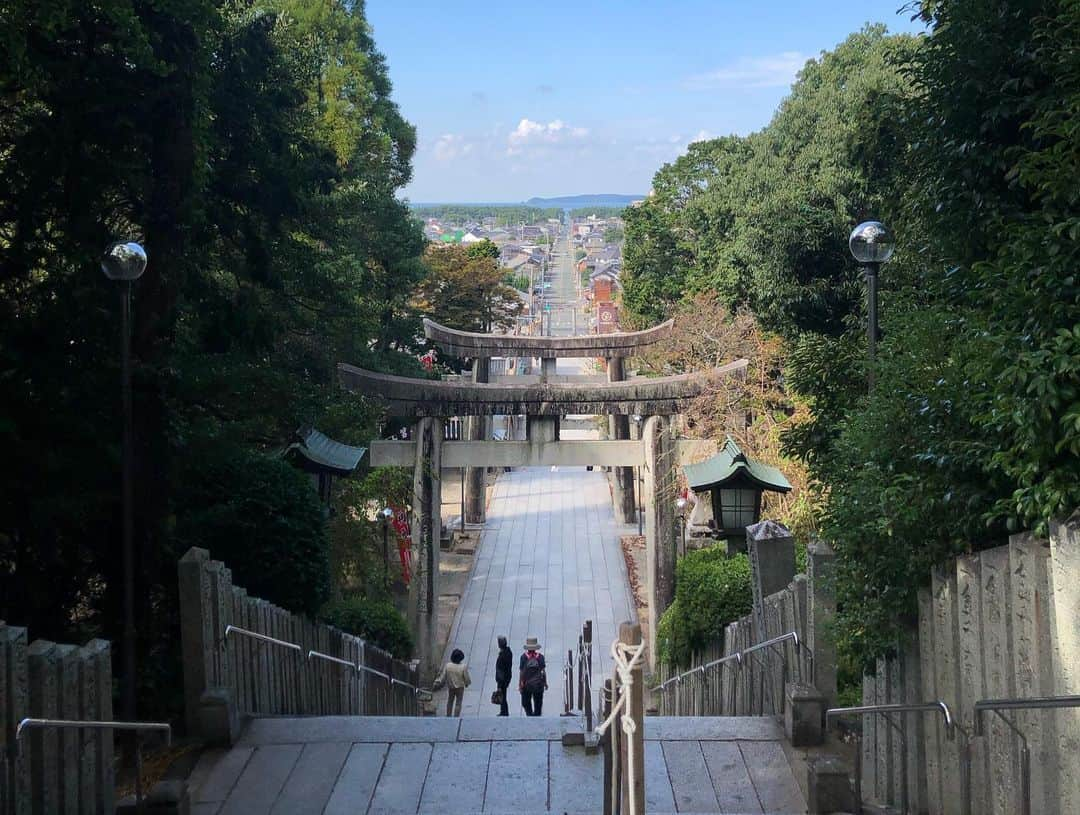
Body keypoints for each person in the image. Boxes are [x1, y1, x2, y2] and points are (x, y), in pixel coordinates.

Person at [435, 648, 471, 717]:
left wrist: (438, 682)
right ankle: (456, 716)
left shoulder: (448, 666)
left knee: (450, 701)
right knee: (458, 702)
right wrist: (467, 683)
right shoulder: (463, 667)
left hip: (451, 687)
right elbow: (466, 677)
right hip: (460, 687)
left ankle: (448, 715)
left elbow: (443, 677)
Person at [518, 636, 547, 716]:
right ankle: (537, 716)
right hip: (538, 684)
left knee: (526, 703)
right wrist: (545, 683)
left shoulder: (523, 657)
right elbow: (543, 671)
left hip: (526, 684)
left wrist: (520, 684)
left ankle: (529, 714)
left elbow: (521, 672)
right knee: (538, 704)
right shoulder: (540, 657)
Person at [494, 636, 513, 717]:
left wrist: (499, 684)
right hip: (507, 677)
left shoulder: (502, 656)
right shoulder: (508, 652)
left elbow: (500, 670)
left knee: (502, 695)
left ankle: (504, 712)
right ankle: (504, 711)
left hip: (502, 679)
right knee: (503, 694)